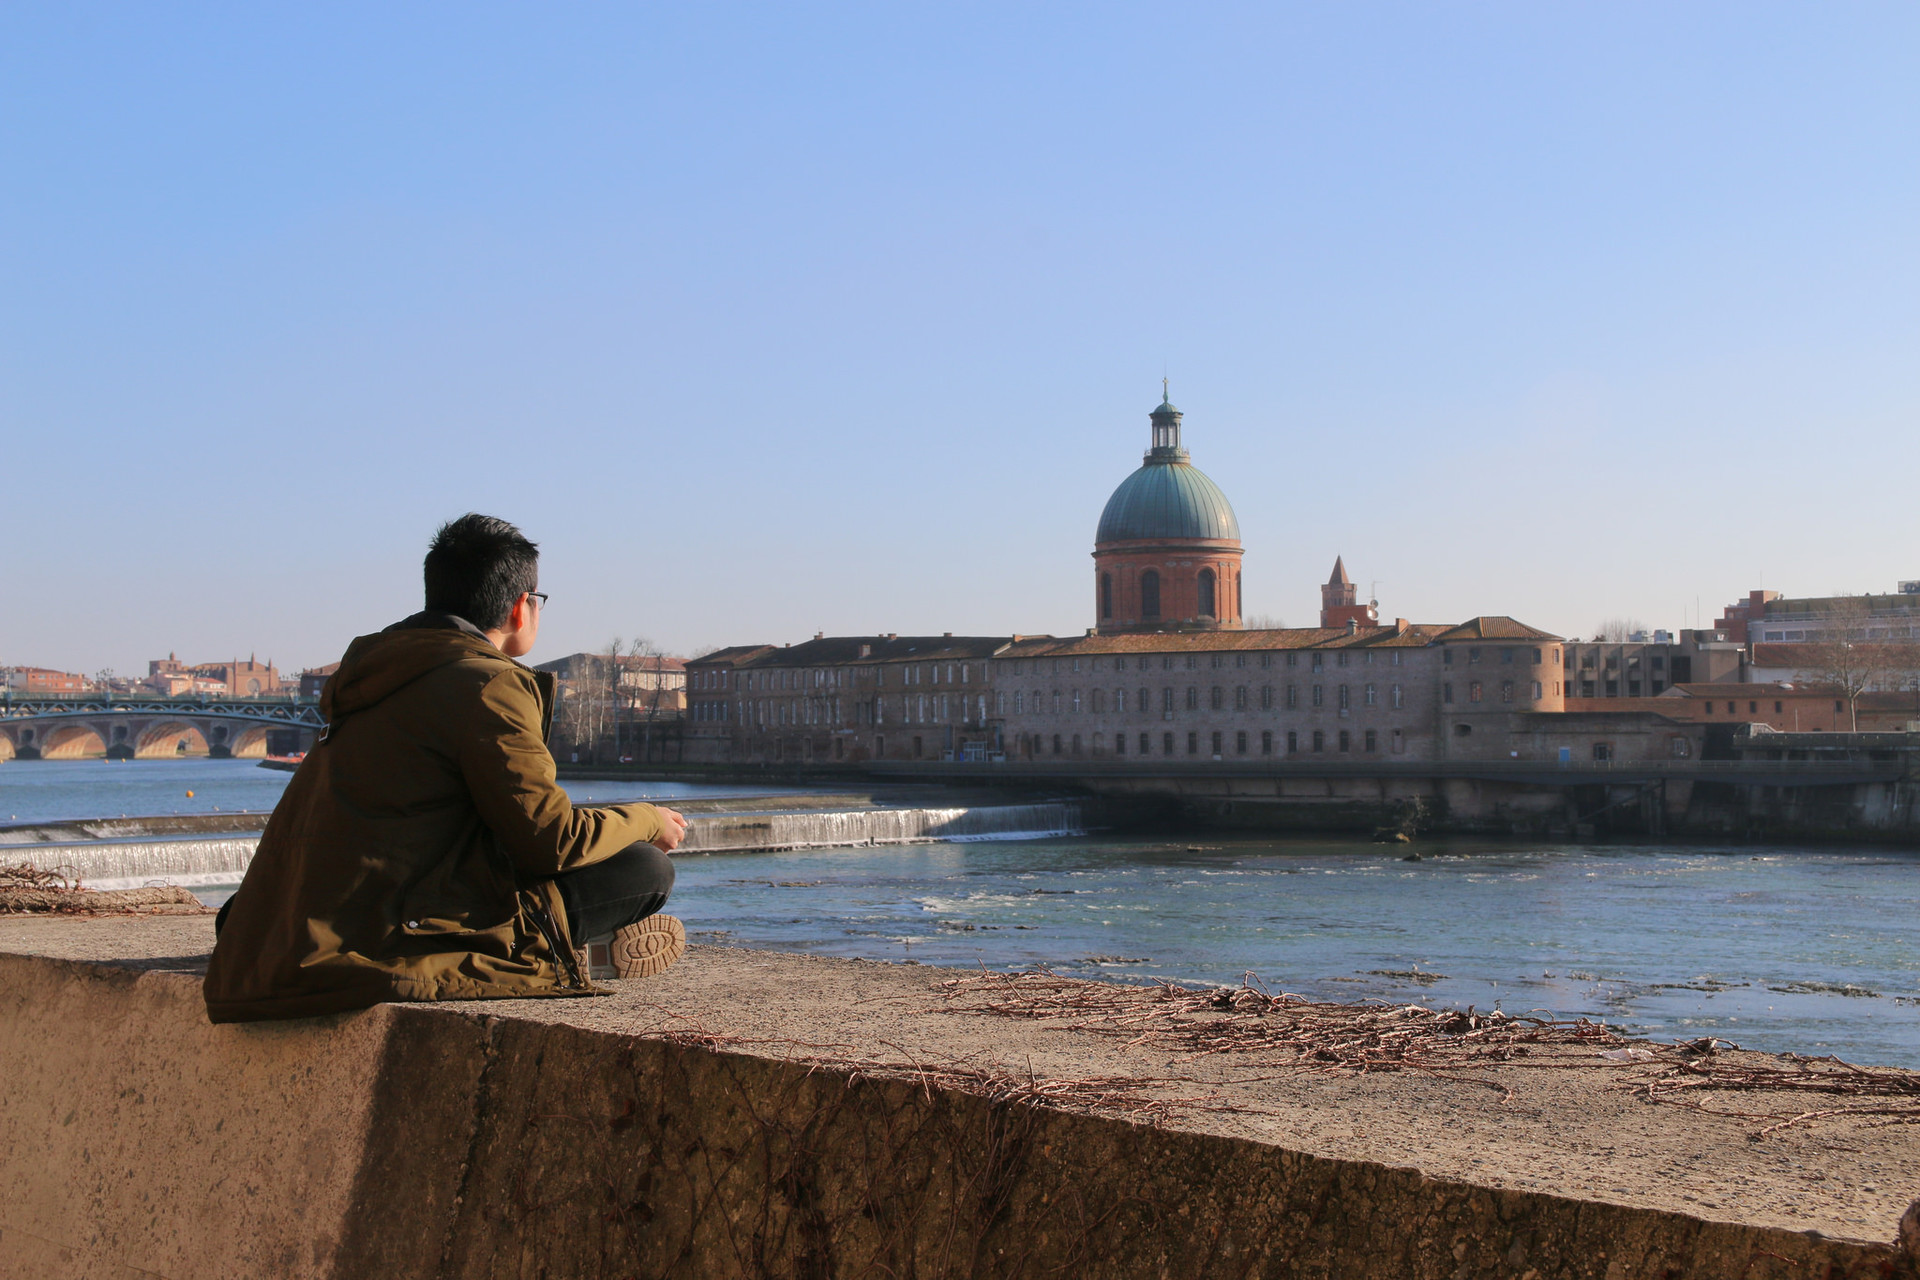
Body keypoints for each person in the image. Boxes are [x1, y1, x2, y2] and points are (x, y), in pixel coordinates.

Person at [204, 513, 687, 1024]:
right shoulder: (487, 684)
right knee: (646, 869)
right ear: (521, 608)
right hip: (391, 927)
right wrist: (647, 819)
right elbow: (551, 841)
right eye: (538, 599)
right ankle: (575, 956)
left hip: (302, 921)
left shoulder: (378, 671)